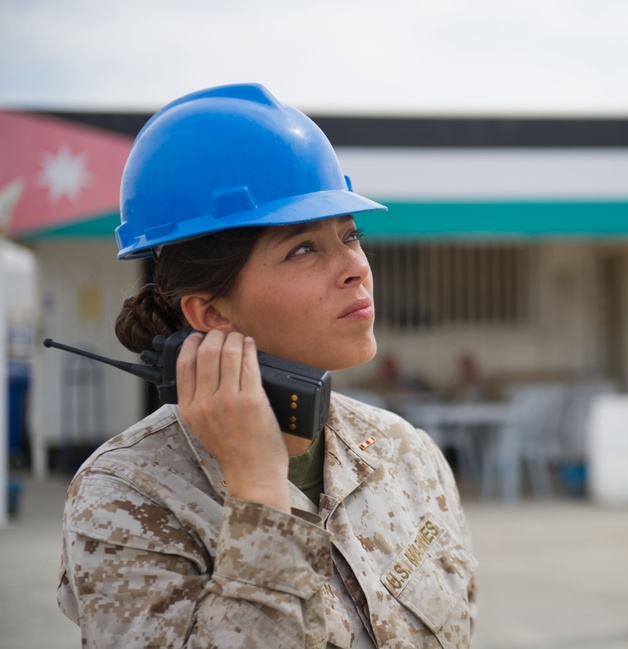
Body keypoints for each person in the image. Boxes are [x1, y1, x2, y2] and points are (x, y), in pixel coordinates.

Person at [56, 83, 477, 648]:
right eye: (304, 248)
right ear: (209, 312)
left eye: (350, 235)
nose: (355, 267)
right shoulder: (128, 494)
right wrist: (257, 485)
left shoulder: (404, 451)